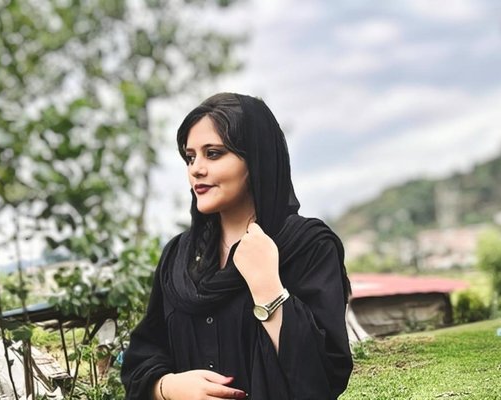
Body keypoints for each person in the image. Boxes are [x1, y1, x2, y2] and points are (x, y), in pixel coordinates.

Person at [121, 93, 353, 400]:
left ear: (256, 159)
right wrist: (168, 387)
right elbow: (142, 358)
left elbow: (324, 376)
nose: (196, 169)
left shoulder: (307, 246)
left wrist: (269, 289)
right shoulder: (178, 258)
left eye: (213, 154)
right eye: (190, 157)